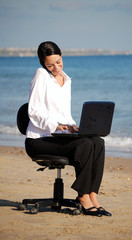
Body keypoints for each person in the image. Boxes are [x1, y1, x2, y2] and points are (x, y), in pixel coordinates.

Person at [25, 41, 112, 217]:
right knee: (84, 145)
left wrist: (74, 127)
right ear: (43, 64)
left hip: (58, 137)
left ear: (62, 56)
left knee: (97, 142)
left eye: (58, 62)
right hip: (39, 140)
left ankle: (92, 195)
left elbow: (63, 113)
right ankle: (82, 196)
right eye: (50, 65)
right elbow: (33, 111)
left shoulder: (67, 79)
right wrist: (55, 125)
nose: (56, 67)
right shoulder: (41, 75)